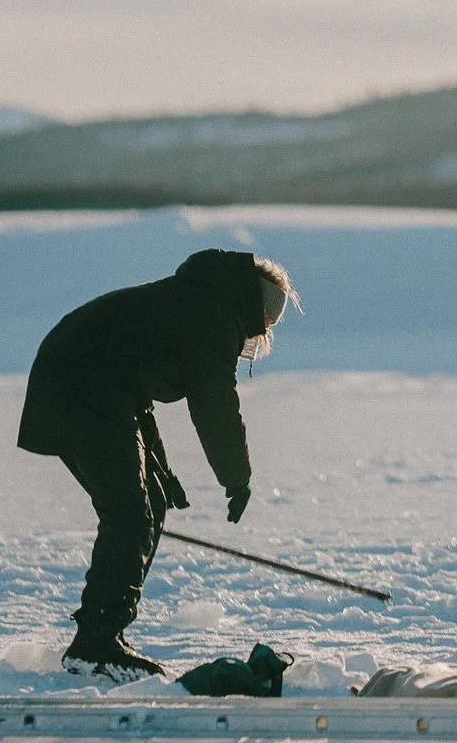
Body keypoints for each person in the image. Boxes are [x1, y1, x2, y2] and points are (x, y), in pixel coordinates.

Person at [16, 249, 295, 681]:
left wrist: (162, 471)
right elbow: (215, 404)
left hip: (87, 382)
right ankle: (95, 643)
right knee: (128, 512)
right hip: (79, 385)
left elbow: (135, 387)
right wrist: (238, 478)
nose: (255, 338)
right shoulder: (213, 315)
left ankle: (103, 632)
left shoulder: (199, 299)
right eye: (262, 326)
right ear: (254, 306)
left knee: (150, 503)